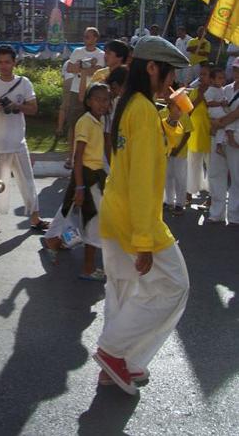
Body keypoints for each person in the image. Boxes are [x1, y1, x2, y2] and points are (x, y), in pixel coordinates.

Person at [94, 36, 190, 394]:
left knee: (121, 290)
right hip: (137, 220)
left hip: (115, 214)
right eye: (169, 73)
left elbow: (144, 154)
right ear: (151, 67)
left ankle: (118, 365)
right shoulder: (144, 111)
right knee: (174, 286)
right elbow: (143, 179)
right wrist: (145, 241)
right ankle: (115, 351)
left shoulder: (130, 105)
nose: (172, 82)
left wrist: (173, 118)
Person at [0, 44, 49, 232]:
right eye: (0, 62)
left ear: (14, 62)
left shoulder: (24, 83)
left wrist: (16, 106)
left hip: (17, 142)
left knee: (27, 181)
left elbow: (33, 109)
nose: (3, 66)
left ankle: (35, 217)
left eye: (7, 62)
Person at [43, 83, 110, 280]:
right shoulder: (86, 122)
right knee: (94, 222)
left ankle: (55, 242)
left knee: (78, 216)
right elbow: (78, 156)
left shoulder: (100, 121)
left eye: (106, 100)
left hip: (95, 175)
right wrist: (80, 186)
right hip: (87, 177)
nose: (102, 104)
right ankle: (88, 268)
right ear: (89, 102)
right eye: (98, 99)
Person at [64, 27, 105, 169]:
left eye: (88, 36)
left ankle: (90, 156)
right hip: (76, 91)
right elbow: (69, 68)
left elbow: (97, 70)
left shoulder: (101, 54)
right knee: (73, 124)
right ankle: (71, 156)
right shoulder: (77, 51)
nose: (86, 38)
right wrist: (86, 65)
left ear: (95, 38)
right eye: (85, 36)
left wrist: (81, 67)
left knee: (94, 124)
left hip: (93, 92)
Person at [215, 57, 239, 225]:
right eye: (236, 69)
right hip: (225, 136)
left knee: (237, 178)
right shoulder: (227, 88)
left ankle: (233, 215)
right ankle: (231, 215)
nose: (237, 72)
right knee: (231, 176)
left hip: (233, 133)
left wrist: (219, 123)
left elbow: (235, 114)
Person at [161, 92, 193, 216]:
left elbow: (187, 132)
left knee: (180, 178)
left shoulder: (183, 113)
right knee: (167, 177)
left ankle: (179, 203)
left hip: (180, 153)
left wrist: (178, 149)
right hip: (165, 153)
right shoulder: (161, 113)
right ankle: (168, 201)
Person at [204, 66, 228, 223]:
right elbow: (209, 103)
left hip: (228, 129)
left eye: (222, 78)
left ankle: (231, 213)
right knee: (215, 173)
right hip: (217, 118)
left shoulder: (224, 90)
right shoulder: (214, 90)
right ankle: (217, 212)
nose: (221, 80)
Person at [187, 63, 211, 201]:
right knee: (193, 165)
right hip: (195, 134)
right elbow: (188, 111)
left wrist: (206, 98)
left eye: (205, 74)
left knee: (211, 168)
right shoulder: (195, 91)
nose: (201, 77)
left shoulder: (217, 92)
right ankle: (189, 192)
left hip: (209, 135)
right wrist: (198, 98)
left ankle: (212, 196)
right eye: (200, 74)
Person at [55, 57, 74, 137]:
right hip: (76, 81)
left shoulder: (67, 62)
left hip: (67, 81)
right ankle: (71, 128)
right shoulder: (82, 59)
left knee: (64, 106)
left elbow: (63, 76)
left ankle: (60, 128)